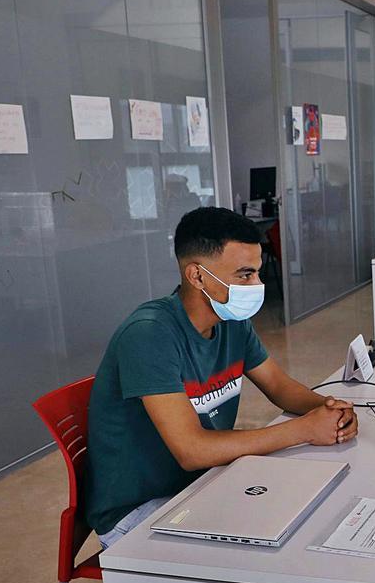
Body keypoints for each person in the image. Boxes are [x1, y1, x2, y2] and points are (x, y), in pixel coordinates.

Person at [86, 207, 358, 548]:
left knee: (311, 514)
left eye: (257, 272)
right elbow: (192, 450)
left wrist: (331, 409)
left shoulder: (229, 321)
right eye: (244, 275)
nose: (256, 285)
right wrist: (304, 430)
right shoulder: (149, 335)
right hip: (140, 510)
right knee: (277, 547)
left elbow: (279, 386)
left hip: (204, 480)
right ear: (197, 276)